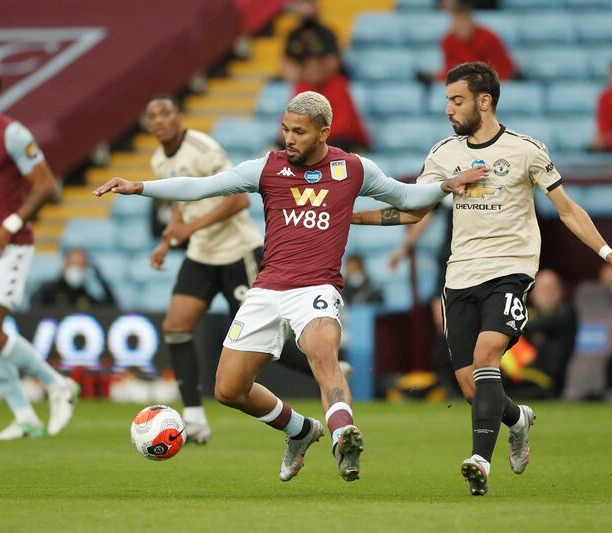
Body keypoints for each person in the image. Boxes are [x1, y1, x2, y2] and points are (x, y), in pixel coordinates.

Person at [94, 91, 487, 483]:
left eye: (299, 131)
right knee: (228, 389)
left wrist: (447, 184)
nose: (289, 138)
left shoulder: (352, 169)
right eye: (285, 129)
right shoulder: (267, 167)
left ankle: (342, 437)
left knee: (323, 357)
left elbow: (407, 198)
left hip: (316, 288)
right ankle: (299, 431)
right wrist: (139, 186)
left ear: (324, 132)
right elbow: (204, 186)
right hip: (265, 289)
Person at [351, 61, 612, 496]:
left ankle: (479, 462)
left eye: (457, 100)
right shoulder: (442, 155)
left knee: (489, 352)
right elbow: (415, 211)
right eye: (448, 101)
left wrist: (608, 252)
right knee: (472, 387)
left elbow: (566, 209)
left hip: (510, 270)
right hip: (460, 275)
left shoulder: (526, 150)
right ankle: (517, 419)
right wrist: (351, 217)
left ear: (484, 101)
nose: (449, 109)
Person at [0, 68, 77, 440]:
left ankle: (57, 384)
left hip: (11, 243)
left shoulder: (12, 133)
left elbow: (45, 185)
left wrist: (8, 226)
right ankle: (25, 417)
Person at [145, 94, 264, 444]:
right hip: (201, 254)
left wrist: (189, 230)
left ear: (179, 116)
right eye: (152, 116)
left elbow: (239, 198)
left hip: (237, 251)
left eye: (165, 112)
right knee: (175, 326)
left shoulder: (203, 148)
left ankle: (328, 368)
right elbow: (183, 201)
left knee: (260, 338)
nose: (159, 120)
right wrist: (169, 240)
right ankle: (194, 418)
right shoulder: (157, 160)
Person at [294, 53, 370, 152]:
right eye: (309, 66)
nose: (314, 70)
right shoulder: (301, 87)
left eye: (318, 65)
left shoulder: (338, 86)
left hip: (349, 142)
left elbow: (342, 126)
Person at [524, 269, 577, 398]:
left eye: (549, 289)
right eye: (541, 289)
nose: (545, 294)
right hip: (524, 375)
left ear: (560, 291)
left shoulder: (566, 312)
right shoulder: (530, 313)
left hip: (548, 384)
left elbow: (521, 326)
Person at [440, 0, 516, 80]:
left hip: (496, 80)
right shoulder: (448, 40)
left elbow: (502, 69)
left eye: (465, 23)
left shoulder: (488, 37)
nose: (462, 27)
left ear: (472, 22)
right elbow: (448, 70)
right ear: (453, 24)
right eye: (458, 23)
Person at [30, 248, 116, 310]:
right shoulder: (48, 290)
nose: (76, 268)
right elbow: (34, 308)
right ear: (65, 265)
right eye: (73, 264)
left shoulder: (85, 296)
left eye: (80, 265)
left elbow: (110, 308)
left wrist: (100, 278)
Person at [283, 0, 339, 84]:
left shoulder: (326, 33)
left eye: (307, 4)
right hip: (301, 81)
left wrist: (317, 74)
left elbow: (332, 62)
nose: (304, 8)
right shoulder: (292, 35)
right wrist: (299, 75)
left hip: (325, 82)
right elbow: (286, 62)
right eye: (301, 5)